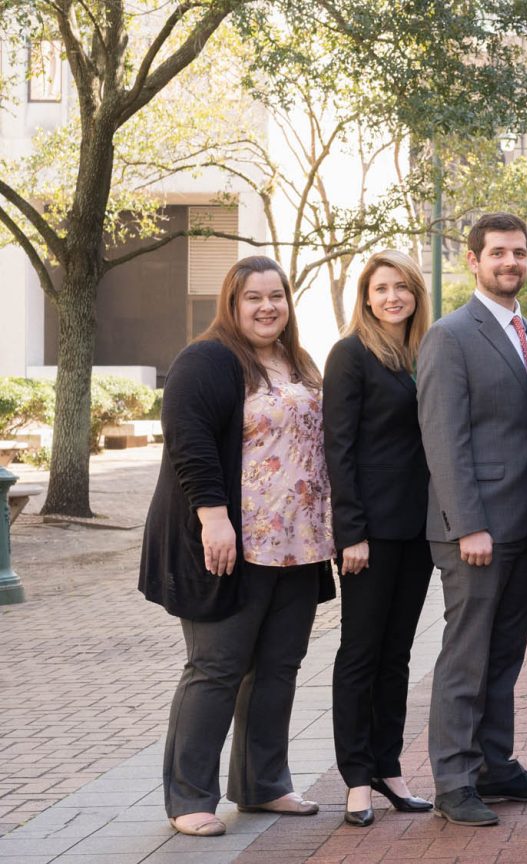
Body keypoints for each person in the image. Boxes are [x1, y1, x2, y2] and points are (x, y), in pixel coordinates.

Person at [141, 256, 335, 837]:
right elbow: (190, 439)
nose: (267, 306)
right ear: (232, 303)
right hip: (230, 546)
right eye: (254, 297)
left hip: (296, 547)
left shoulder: (298, 361)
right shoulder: (209, 359)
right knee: (216, 667)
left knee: (278, 667)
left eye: (276, 296)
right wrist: (213, 519)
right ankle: (189, 797)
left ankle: (262, 784)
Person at [417, 214, 527, 827]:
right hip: (475, 529)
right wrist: (468, 523)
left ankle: (496, 764)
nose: (510, 262)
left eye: (519, 253)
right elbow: (443, 438)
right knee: (466, 656)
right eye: (497, 252)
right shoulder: (451, 335)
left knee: (504, 655)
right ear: (472, 260)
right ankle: (453, 780)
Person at [323, 251, 434, 826]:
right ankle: (357, 780)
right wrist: (352, 533)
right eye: (381, 288)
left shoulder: (422, 353)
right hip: (370, 533)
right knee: (360, 654)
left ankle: (389, 768)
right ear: (366, 296)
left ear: (416, 294)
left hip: (418, 531)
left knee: (399, 654)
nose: (392, 297)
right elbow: (337, 449)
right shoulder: (350, 355)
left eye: (402, 287)